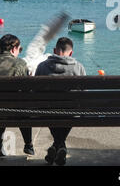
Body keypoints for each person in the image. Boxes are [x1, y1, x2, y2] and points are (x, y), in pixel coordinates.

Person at [35, 37, 86, 166]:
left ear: (54, 50)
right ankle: (60, 145)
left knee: (47, 109)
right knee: (72, 109)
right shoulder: (78, 67)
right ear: (71, 52)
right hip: (70, 112)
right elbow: (83, 94)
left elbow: (35, 92)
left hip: (47, 112)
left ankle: (58, 145)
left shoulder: (42, 67)